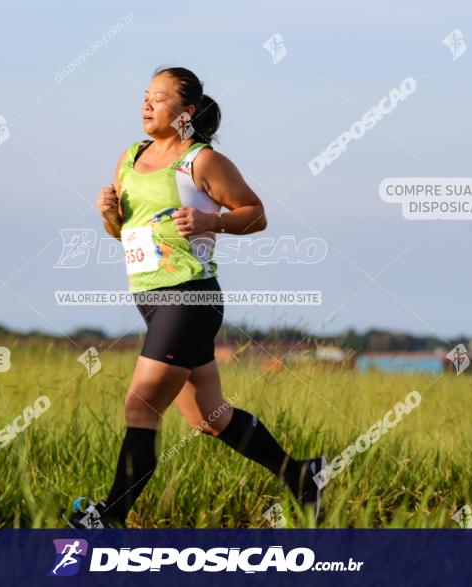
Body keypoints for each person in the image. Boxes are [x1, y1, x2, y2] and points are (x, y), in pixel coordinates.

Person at [65, 66, 325, 528]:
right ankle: (301, 475)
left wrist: (213, 222)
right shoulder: (130, 157)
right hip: (151, 298)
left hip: (189, 296)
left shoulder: (201, 161)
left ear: (186, 112)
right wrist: (108, 215)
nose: (147, 104)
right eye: (145, 95)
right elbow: (122, 232)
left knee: (140, 406)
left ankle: (110, 516)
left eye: (160, 98)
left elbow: (256, 214)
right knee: (209, 417)